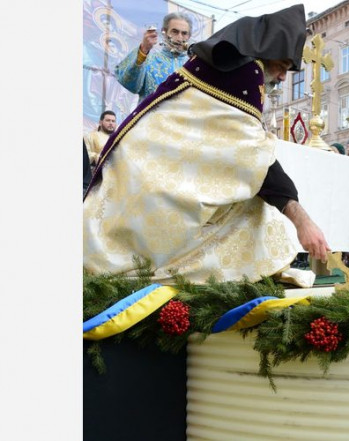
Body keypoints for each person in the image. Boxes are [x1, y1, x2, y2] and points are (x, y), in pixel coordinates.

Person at [84, 4, 330, 288]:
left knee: (243, 187)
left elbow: (236, 148)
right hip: (152, 168)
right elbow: (254, 158)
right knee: (249, 195)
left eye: (184, 32)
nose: (284, 77)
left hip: (151, 160)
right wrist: (302, 221)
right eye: (284, 67)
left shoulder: (229, 62)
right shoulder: (247, 72)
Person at [115, 12, 193, 102]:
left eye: (184, 33)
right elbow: (129, 83)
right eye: (175, 32)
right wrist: (143, 50)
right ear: (164, 32)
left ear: (189, 36)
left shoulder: (193, 65)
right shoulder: (148, 59)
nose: (179, 38)